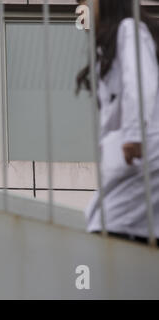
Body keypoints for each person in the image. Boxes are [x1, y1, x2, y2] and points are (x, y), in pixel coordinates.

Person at [76, 0, 159, 244]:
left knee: (106, 222)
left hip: (141, 156)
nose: (80, 9)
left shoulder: (129, 30)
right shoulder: (110, 48)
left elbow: (141, 83)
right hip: (133, 160)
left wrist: (133, 135)